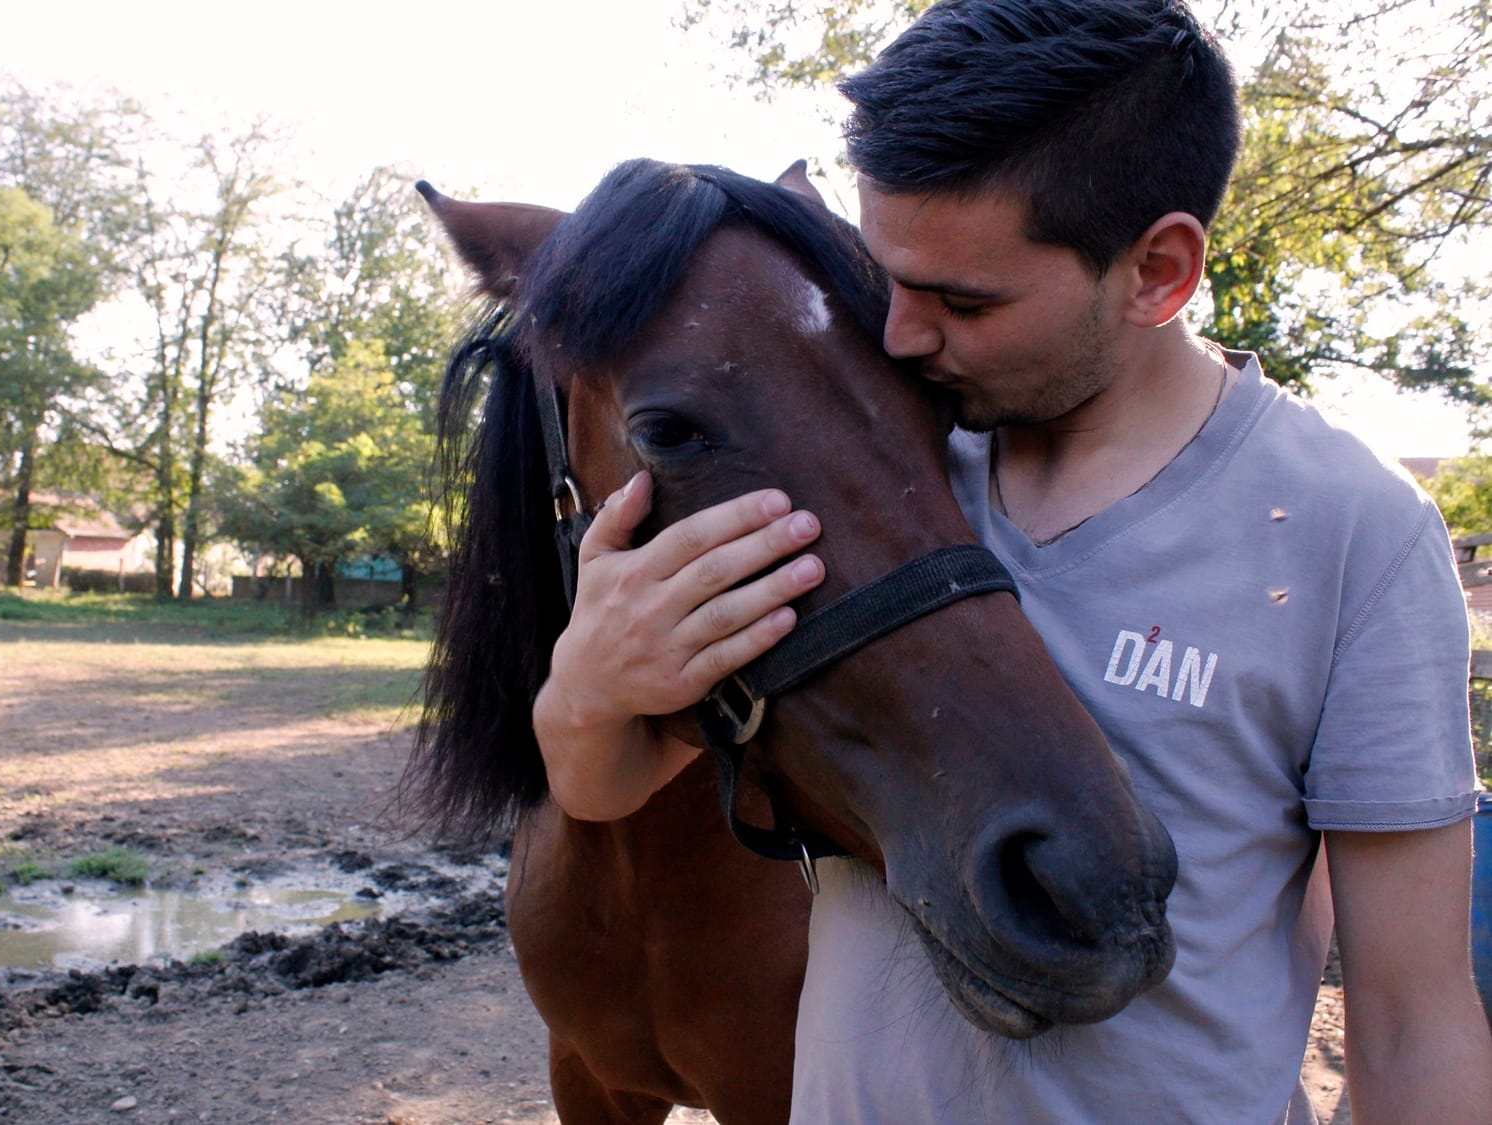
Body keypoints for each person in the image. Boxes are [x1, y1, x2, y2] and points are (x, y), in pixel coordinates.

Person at [531, 0, 1492, 1120]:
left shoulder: (1350, 535)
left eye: (963, 301)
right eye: (888, 278)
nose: (898, 336)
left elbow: (1411, 1019)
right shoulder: (867, 459)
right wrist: (587, 684)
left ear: (1159, 272)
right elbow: (610, 783)